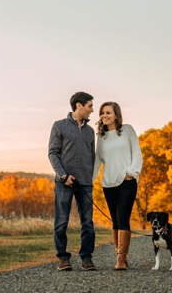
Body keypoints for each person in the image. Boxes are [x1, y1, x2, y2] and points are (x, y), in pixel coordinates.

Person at [48, 91, 96, 271]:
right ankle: (63, 258)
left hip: (85, 184)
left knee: (88, 223)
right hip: (64, 183)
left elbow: (92, 157)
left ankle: (87, 258)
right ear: (79, 105)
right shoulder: (59, 126)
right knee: (61, 222)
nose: (92, 110)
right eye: (90, 106)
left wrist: (90, 179)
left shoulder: (90, 131)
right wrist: (63, 176)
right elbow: (52, 153)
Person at [93, 101, 142, 270]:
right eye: (102, 113)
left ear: (116, 115)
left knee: (122, 219)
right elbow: (97, 161)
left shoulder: (127, 130)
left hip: (127, 182)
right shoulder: (101, 136)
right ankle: (119, 256)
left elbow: (136, 152)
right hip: (109, 183)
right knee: (115, 221)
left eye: (108, 112)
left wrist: (132, 172)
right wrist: (89, 181)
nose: (104, 116)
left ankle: (121, 259)